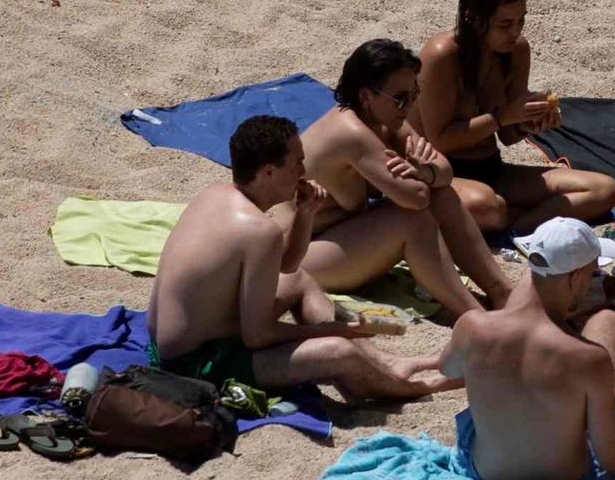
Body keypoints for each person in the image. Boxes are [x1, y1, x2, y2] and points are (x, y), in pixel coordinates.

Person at [149, 115, 450, 403]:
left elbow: (287, 267)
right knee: (338, 351)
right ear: (269, 172)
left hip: (170, 342)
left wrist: (305, 215)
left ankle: (383, 363)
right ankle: (405, 386)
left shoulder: (214, 194)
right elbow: (258, 335)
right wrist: (331, 330)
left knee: (299, 280)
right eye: (297, 163)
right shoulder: (259, 230)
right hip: (195, 365)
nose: (304, 172)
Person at [297, 39, 509, 316]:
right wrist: (427, 176)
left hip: (340, 236)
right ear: (365, 97)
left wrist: (426, 172)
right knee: (412, 218)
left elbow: (443, 171)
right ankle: (474, 316)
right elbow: (416, 198)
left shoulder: (384, 120)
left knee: (442, 196)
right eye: (400, 98)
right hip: (300, 255)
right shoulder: (350, 132)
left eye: (413, 95)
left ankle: (501, 291)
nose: (408, 106)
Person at [414, 0, 615, 232]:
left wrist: (528, 122)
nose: (515, 32)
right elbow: (441, 140)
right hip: (439, 172)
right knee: (490, 208)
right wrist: (502, 117)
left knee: (604, 190)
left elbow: (508, 136)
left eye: (521, 20)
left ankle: (522, 226)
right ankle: (512, 218)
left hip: (490, 169)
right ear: (473, 19)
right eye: (505, 24)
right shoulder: (441, 56)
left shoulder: (516, 51)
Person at [442, 216, 615, 480]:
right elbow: (614, 462)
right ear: (574, 278)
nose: (593, 282)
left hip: (489, 475)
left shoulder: (472, 326)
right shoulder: (588, 359)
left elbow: (448, 370)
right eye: (592, 274)